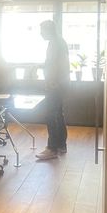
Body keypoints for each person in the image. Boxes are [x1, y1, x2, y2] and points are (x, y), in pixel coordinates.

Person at [36, 20, 69, 160]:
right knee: (58, 114)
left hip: (55, 84)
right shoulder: (58, 41)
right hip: (59, 84)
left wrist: (52, 82)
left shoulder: (56, 44)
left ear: (49, 30)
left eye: (42, 31)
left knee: (51, 115)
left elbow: (57, 65)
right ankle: (61, 145)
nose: (41, 34)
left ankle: (52, 148)